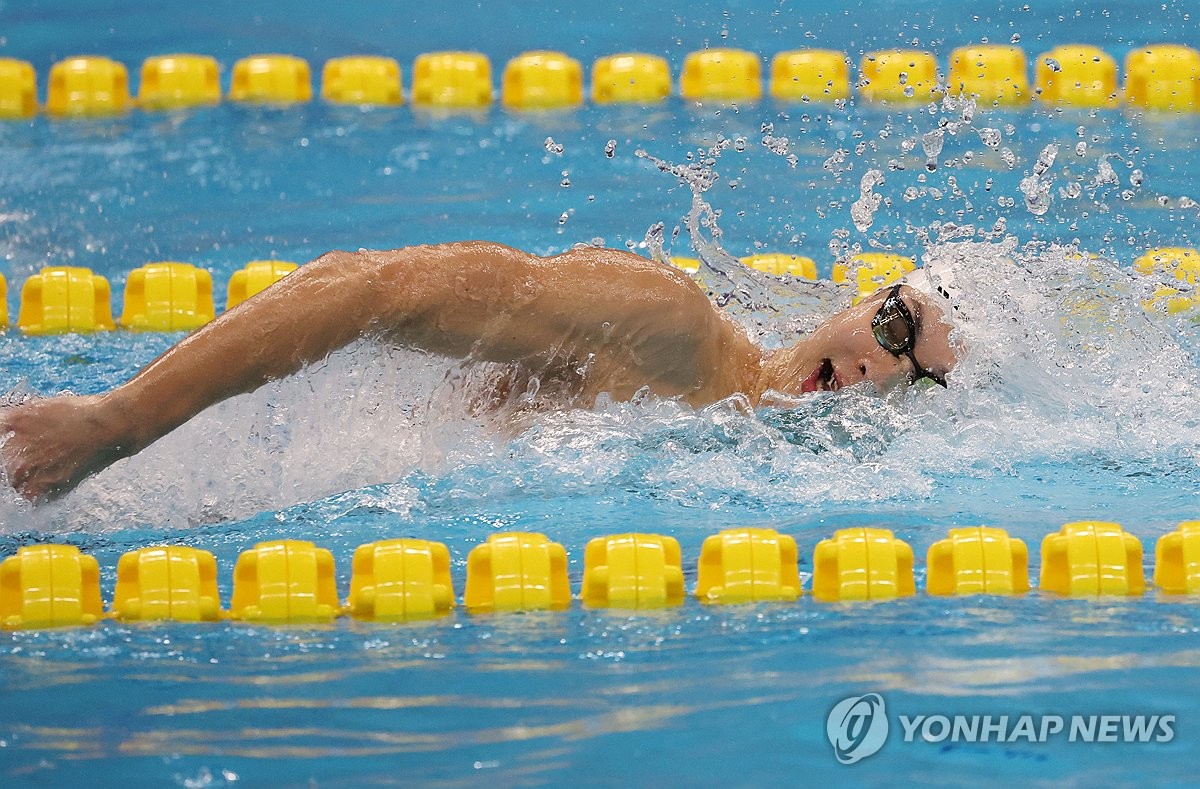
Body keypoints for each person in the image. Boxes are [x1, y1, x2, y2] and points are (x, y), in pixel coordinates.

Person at [0, 241, 959, 501]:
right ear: (856, 293)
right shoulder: (669, 324)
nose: (879, 362)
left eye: (915, 375)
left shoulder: (783, 467)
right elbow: (366, 286)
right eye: (892, 321)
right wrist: (114, 422)